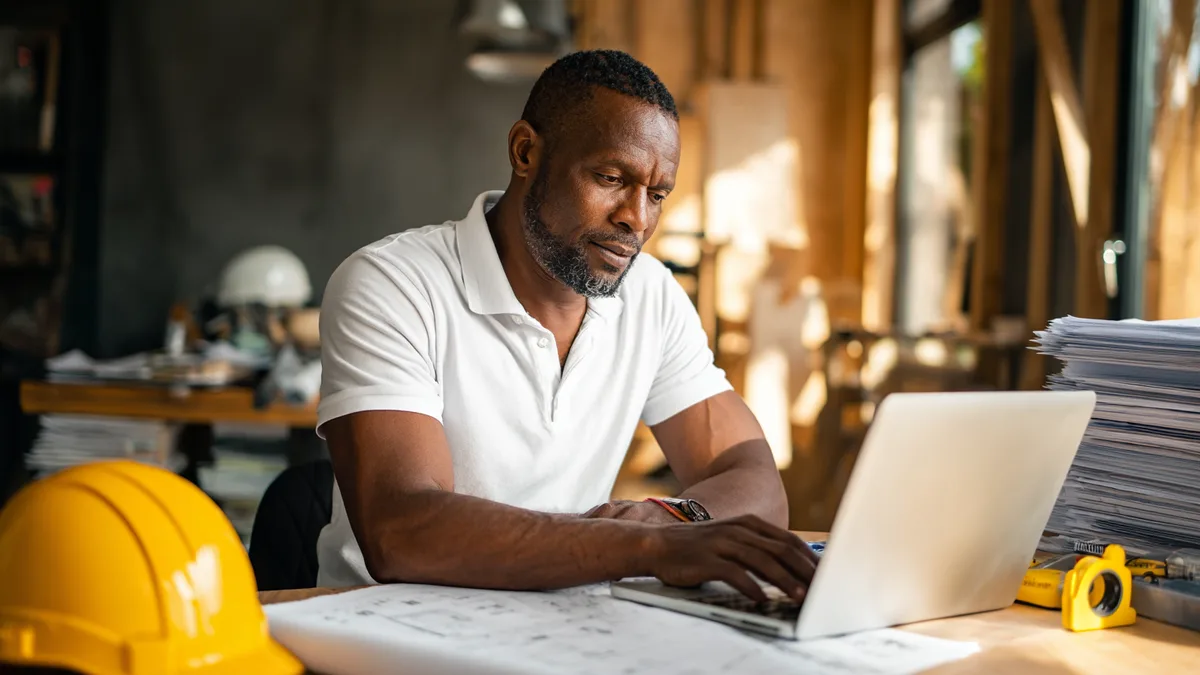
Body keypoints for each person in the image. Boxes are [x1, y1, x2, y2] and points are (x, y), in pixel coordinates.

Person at [316, 49, 818, 602]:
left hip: (563, 631)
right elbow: (402, 531)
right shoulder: (393, 283)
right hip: (388, 637)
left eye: (656, 195)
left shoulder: (650, 294)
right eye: (609, 177)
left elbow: (753, 479)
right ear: (525, 151)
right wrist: (642, 548)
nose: (636, 218)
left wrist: (671, 519)